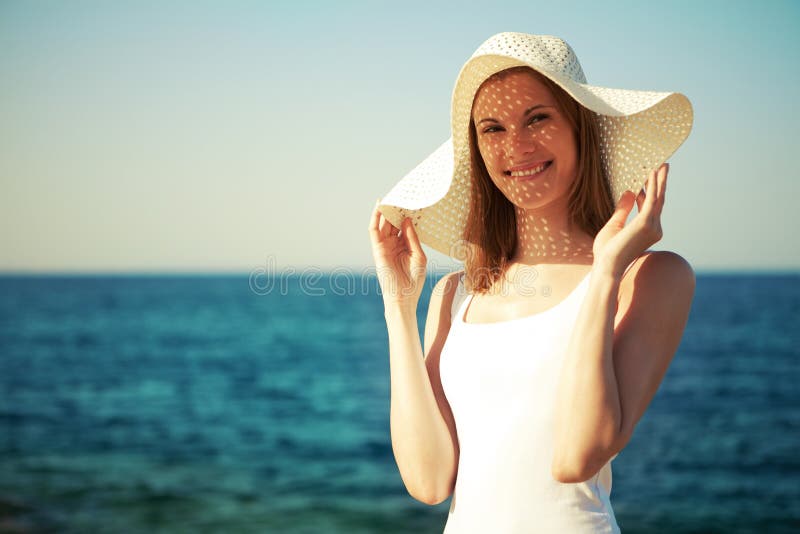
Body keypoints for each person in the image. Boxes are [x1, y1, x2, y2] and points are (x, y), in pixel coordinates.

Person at [368, 32, 695, 533]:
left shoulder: (648, 278)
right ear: (477, 151)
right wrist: (397, 305)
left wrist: (605, 271)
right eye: (493, 128)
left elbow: (576, 456)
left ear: (580, 127)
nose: (516, 146)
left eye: (537, 118)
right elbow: (429, 482)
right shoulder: (453, 295)